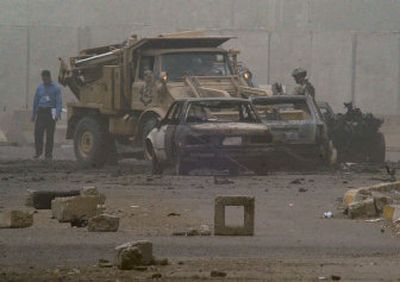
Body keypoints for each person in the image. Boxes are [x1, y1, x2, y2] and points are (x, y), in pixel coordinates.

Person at [31, 70, 62, 160]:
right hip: (41, 112)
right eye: (42, 78)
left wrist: (57, 114)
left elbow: (58, 102)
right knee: (38, 133)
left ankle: (48, 154)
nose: (44, 80)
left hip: (50, 112)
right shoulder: (39, 88)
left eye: (45, 78)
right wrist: (33, 115)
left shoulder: (56, 88)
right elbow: (35, 102)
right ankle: (38, 152)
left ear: (49, 77)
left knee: (50, 134)